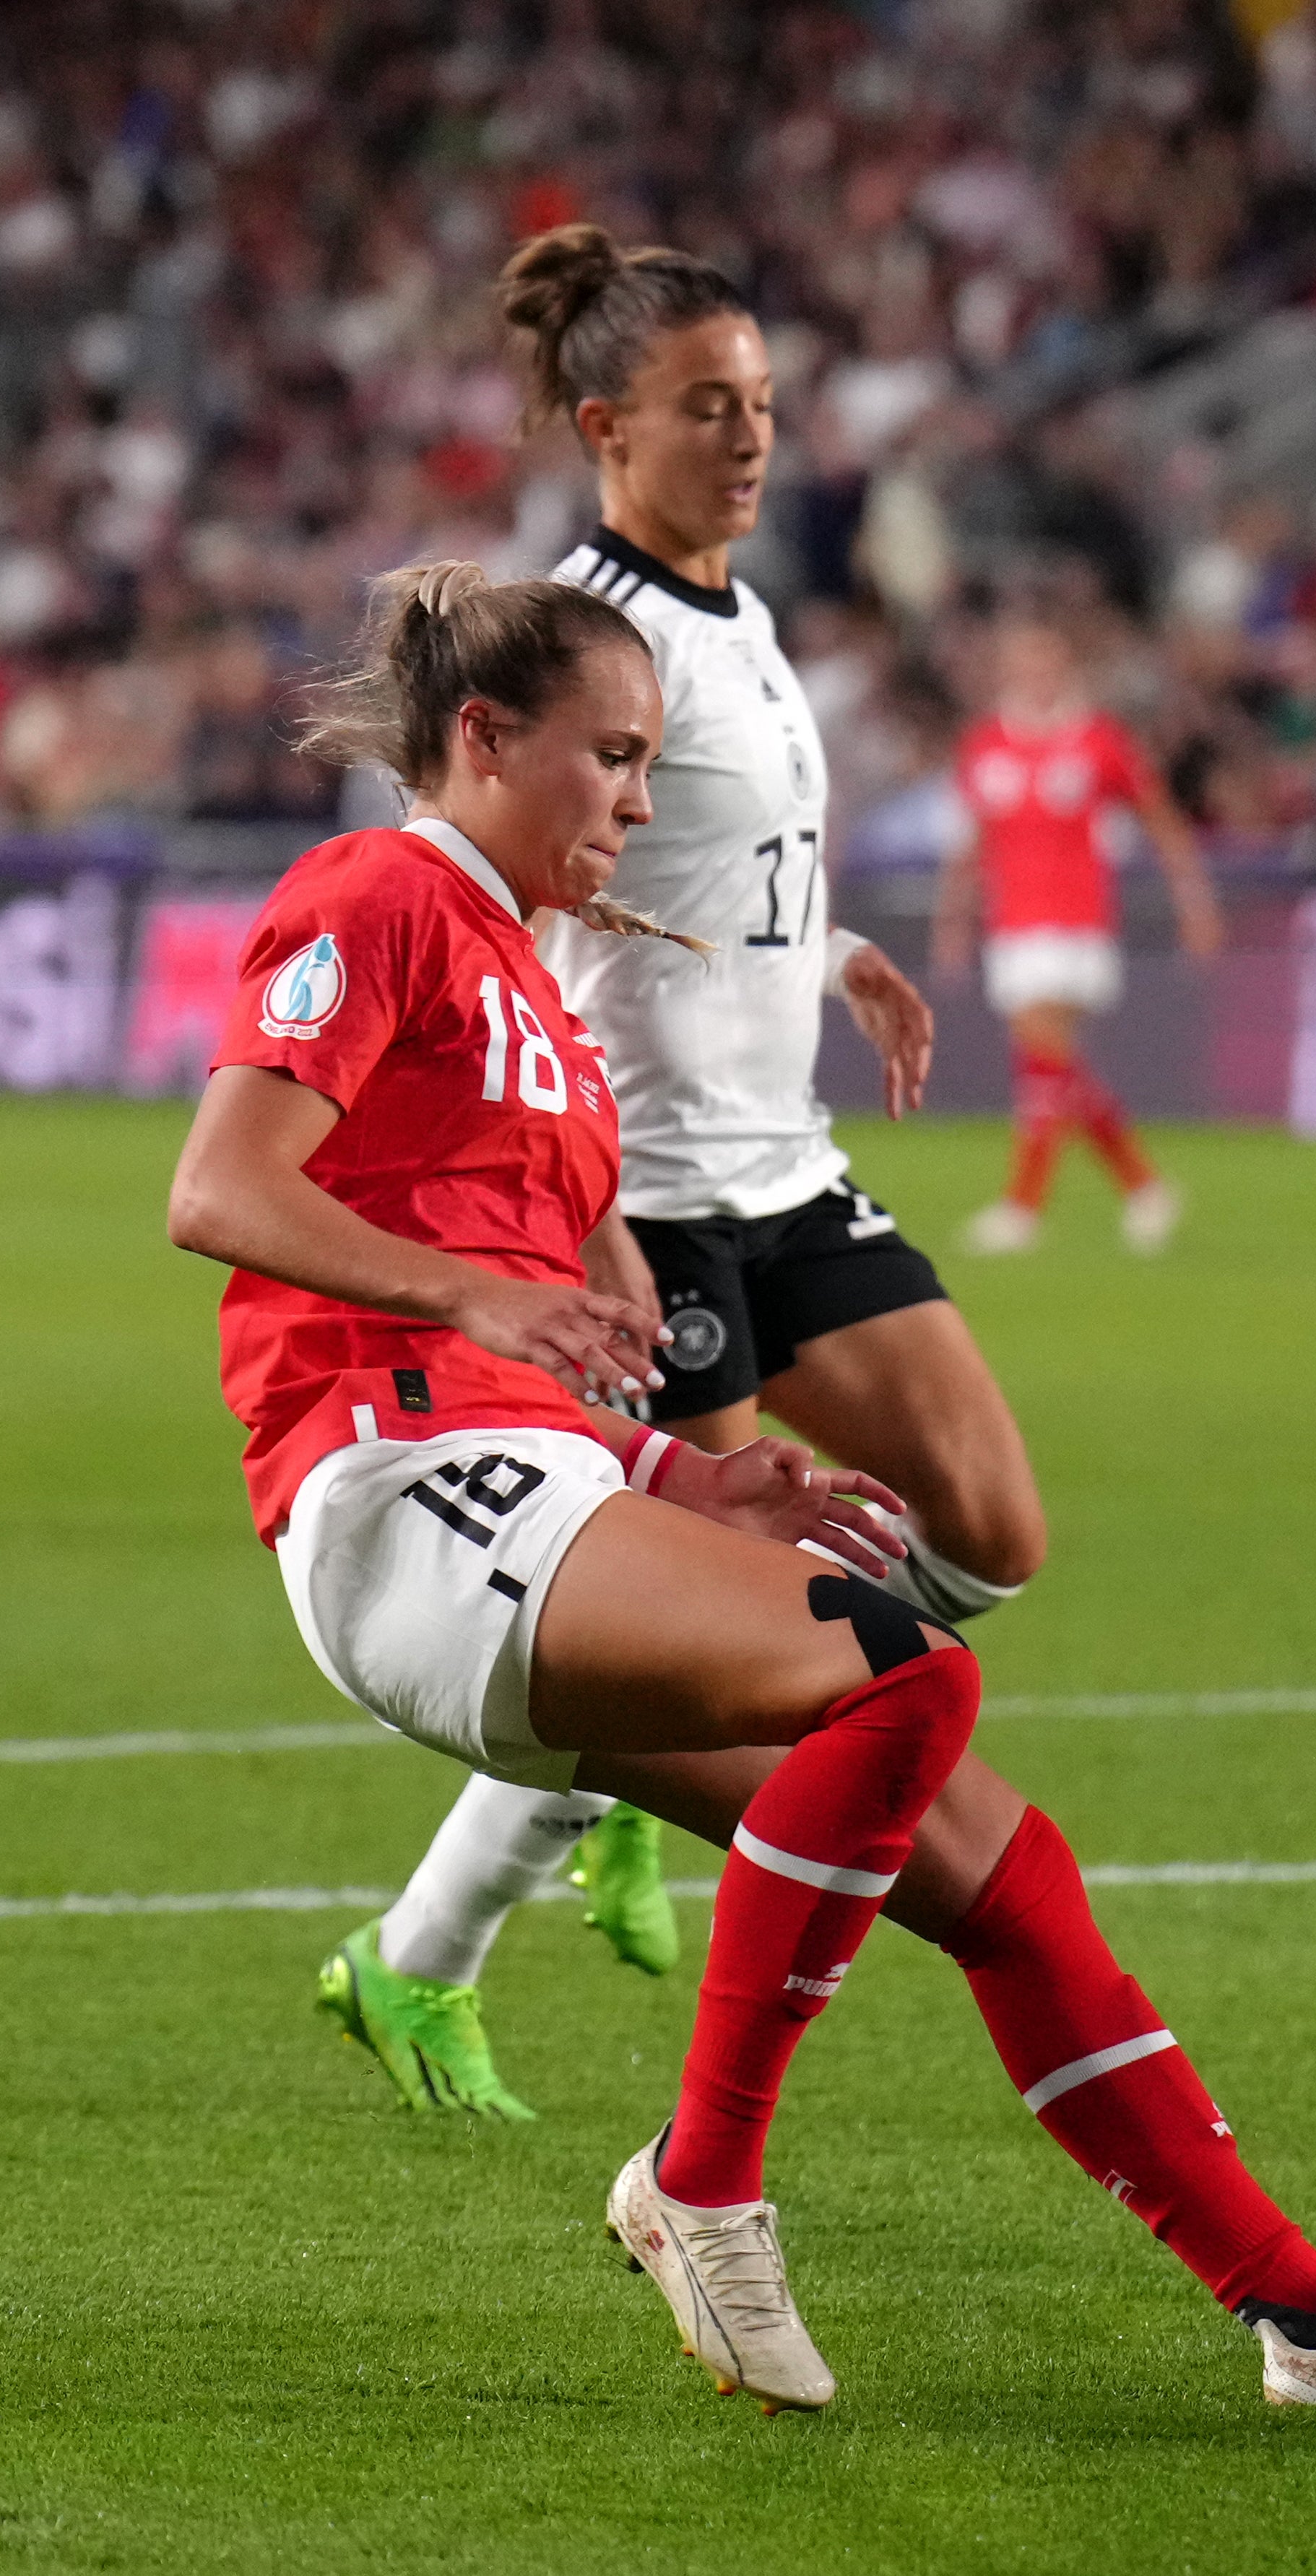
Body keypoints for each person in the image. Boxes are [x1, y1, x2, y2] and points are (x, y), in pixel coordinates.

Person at [173, 561, 1316, 2416]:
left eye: (653, 762)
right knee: (903, 1669)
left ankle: (1313, 2319)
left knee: (1004, 1870)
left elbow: (574, 1330)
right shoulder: (378, 894)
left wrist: (699, 1473)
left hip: (533, 1489)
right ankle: (699, 2180)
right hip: (397, 1483)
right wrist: (469, 1288)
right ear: (480, 736)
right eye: (608, 757)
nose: (637, 802)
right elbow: (220, 1185)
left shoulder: (539, 980)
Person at [311, 225, 1056, 2126]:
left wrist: (833, 949)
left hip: (786, 1161)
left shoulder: (738, 614)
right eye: (706, 407)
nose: (750, 437)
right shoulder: (567, 633)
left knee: (981, 1522)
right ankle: (438, 1948)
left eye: (765, 405)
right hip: (647, 1185)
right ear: (603, 424)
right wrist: (574, 1213)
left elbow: (705, 864)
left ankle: (544, 1832)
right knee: (745, 1592)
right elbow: (521, 899)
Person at [936, 614, 1225, 1256]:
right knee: (1048, 1068)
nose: (1035, 675)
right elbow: (970, 843)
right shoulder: (986, 744)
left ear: (1065, 669)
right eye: (1024, 664)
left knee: (1043, 1051)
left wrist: (1194, 903)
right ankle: (1143, 1185)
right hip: (1011, 922)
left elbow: (1162, 821)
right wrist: (953, 919)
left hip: (1077, 918)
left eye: (1046, 663)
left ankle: (1024, 1208)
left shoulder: (1098, 740)